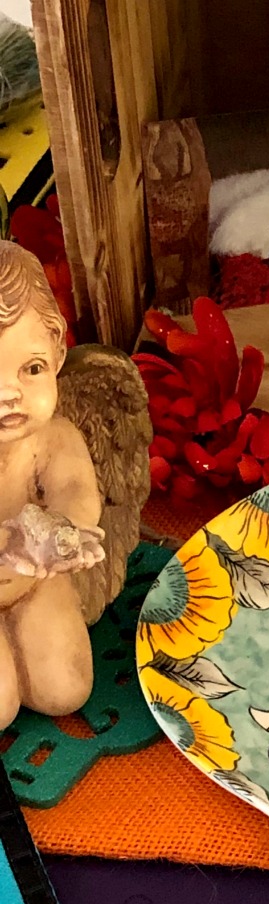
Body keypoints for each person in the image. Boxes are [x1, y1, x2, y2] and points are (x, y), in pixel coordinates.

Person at [0, 242, 104, 729]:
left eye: (32, 368)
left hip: (35, 578)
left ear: (59, 351)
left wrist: (60, 531)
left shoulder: (53, 438)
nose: (9, 393)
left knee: (65, 688)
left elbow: (76, 493)